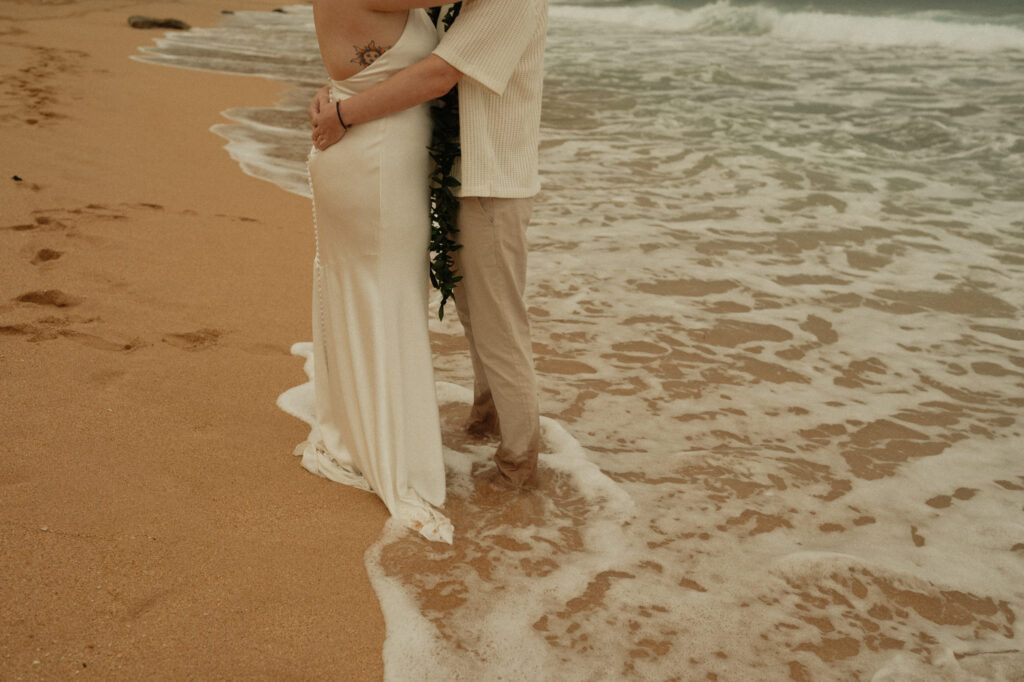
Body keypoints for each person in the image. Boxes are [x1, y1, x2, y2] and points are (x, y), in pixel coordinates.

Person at [310, 0, 548, 489]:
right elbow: (396, 58)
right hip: (458, 174)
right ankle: (486, 418)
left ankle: (518, 463)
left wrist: (344, 110)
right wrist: (345, 87)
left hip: (492, 181)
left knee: (498, 321)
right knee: (474, 312)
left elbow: (438, 74)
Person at [293, 0, 462, 544]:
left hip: (369, 151)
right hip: (373, 158)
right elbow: (438, 74)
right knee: (383, 298)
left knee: (369, 294)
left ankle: (361, 431)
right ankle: (388, 450)